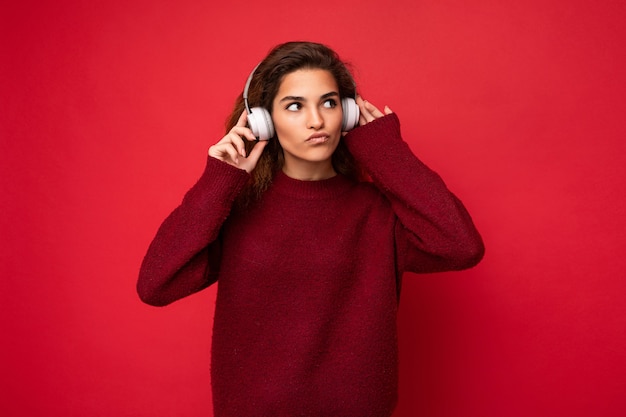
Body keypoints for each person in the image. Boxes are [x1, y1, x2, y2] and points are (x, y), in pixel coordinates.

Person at [137, 41, 484, 417]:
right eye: (295, 106)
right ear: (263, 120)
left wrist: (387, 150)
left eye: (330, 103)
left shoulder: (376, 213)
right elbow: (157, 285)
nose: (316, 120)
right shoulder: (236, 210)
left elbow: (461, 246)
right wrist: (217, 182)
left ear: (348, 115)